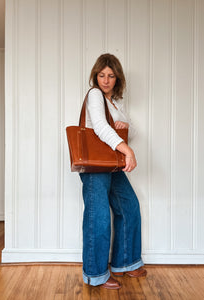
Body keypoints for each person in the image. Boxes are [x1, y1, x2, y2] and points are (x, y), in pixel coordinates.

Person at [79, 53, 147, 290]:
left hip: (112, 163)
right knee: (97, 217)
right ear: (95, 76)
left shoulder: (115, 103)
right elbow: (99, 127)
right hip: (96, 165)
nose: (106, 80)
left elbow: (131, 133)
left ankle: (125, 262)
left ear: (117, 79)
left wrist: (125, 127)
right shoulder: (95, 95)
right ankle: (95, 274)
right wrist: (127, 150)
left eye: (111, 76)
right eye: (101, 75)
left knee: (128, 206)